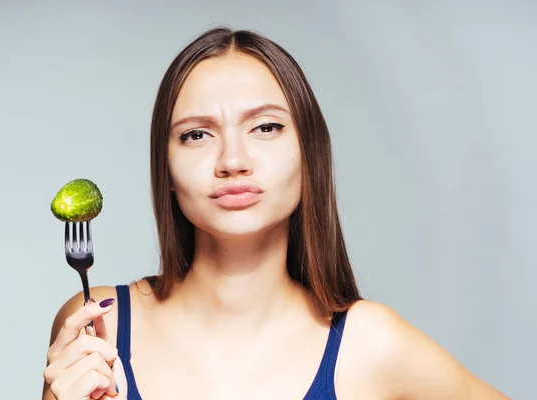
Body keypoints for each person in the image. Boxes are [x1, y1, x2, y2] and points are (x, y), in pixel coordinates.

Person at [42, 27, 510, 400]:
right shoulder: (98, 326)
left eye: (266, 127)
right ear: (164, 168)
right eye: (196, 135)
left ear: (310, 155)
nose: (232, 160)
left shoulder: (370, 344)